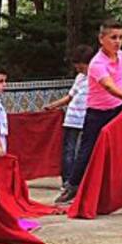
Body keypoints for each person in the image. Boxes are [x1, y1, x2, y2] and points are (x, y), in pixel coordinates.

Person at [57, 19, 122, 204]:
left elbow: (118, 79)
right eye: (113, 37)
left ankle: (115, 185)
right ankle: (73, 186)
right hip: (97, 111)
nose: (117, 42)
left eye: (120, 38)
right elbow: (108, 85)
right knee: (87, 150)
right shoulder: (96, 63)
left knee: (119, 148)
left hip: (117, 108)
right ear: (101, 39)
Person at [44, 45, 92, 186]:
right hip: (72, 118)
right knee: (69, 151)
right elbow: (70, 96)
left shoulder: (98, 77)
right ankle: (68, 180)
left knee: (83, 151)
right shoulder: (80, 78)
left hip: (88, 118)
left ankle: (80, 179)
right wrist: (53, 105)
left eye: (82, 67)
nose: (80, 70)